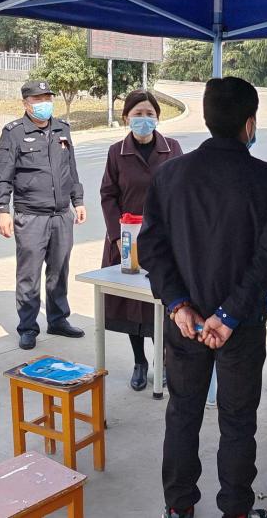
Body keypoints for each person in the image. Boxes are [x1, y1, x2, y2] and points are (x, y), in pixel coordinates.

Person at [140, 77, 267, 518]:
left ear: (205, 118)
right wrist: (229, 314)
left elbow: (152, 248)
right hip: (240, 326)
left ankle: (178, 506)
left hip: (185, 323)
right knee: (238, 420)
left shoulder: (169, 175)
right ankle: (236, 509)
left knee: (183, 413)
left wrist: (178, 304)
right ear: (249, 123)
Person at [0, 80, 87, 350]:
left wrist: (78, 201)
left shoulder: (62, 129)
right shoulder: (14, 133)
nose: (44, 103)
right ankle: (27, 327)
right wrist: (3, 210)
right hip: (31, 216)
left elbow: (71, 168)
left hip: (61, 215)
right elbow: (3, 174)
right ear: (25, 103)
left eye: (47, 98)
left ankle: (58, 320)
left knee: (59, 270)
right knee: (29, 275)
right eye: (37, 99)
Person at [100, 90, 183, 391]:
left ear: (158, 118)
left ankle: (164, 360)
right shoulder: (116, 152)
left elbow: (182, 190)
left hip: (163, 241)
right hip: (127, 240)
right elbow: (108, 194)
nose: (144, 119)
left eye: (150, 114)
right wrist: (117, 234)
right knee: (131, 306)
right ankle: (140, 362)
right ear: (126, 118)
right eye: (138, 114)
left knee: (163, 303)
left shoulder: (172, 148)